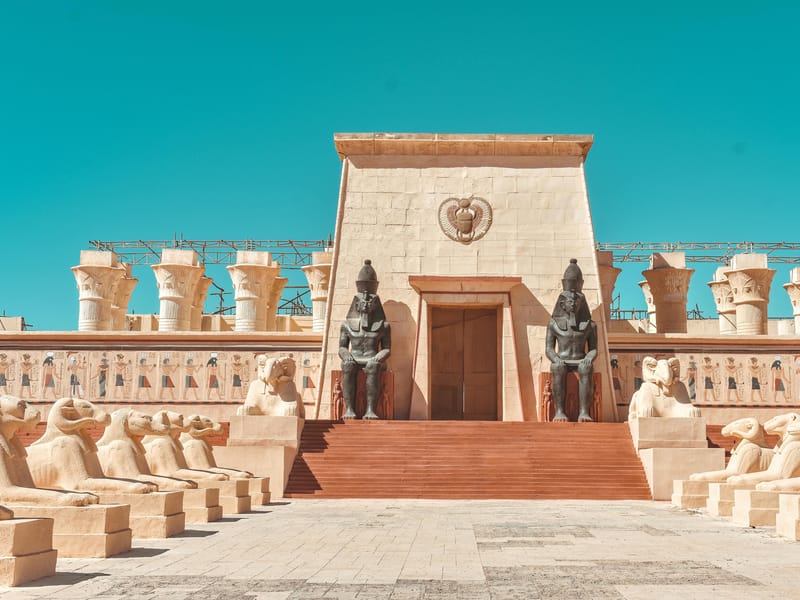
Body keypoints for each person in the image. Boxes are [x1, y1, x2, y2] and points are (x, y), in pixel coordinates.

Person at [545, 259, 597, 423]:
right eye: (570, 301)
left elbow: (594, 348)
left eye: (577, 301)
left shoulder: (590, 325)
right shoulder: (554, 324)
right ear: (562, 304)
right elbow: (549, 349)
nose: (573, 304)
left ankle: (583, 412)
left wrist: (589, 357)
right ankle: (559, 411)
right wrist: (556, 358)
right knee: (557, 367)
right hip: (562, 359)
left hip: (580, 358)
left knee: (585, 368)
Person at [338, 259, 391, 419]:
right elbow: (342, 347)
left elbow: (387, 348)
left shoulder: (384, 326)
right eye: (363, 301)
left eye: (370, 301)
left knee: (373, 367)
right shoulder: (346, 325)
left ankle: (370, 410)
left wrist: (378, 357)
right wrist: (345, 355)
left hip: (373, 358)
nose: (366, 305)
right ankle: (350, 410)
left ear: (376, 304)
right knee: (347, 366)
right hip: (354, 357)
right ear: (356, 304)